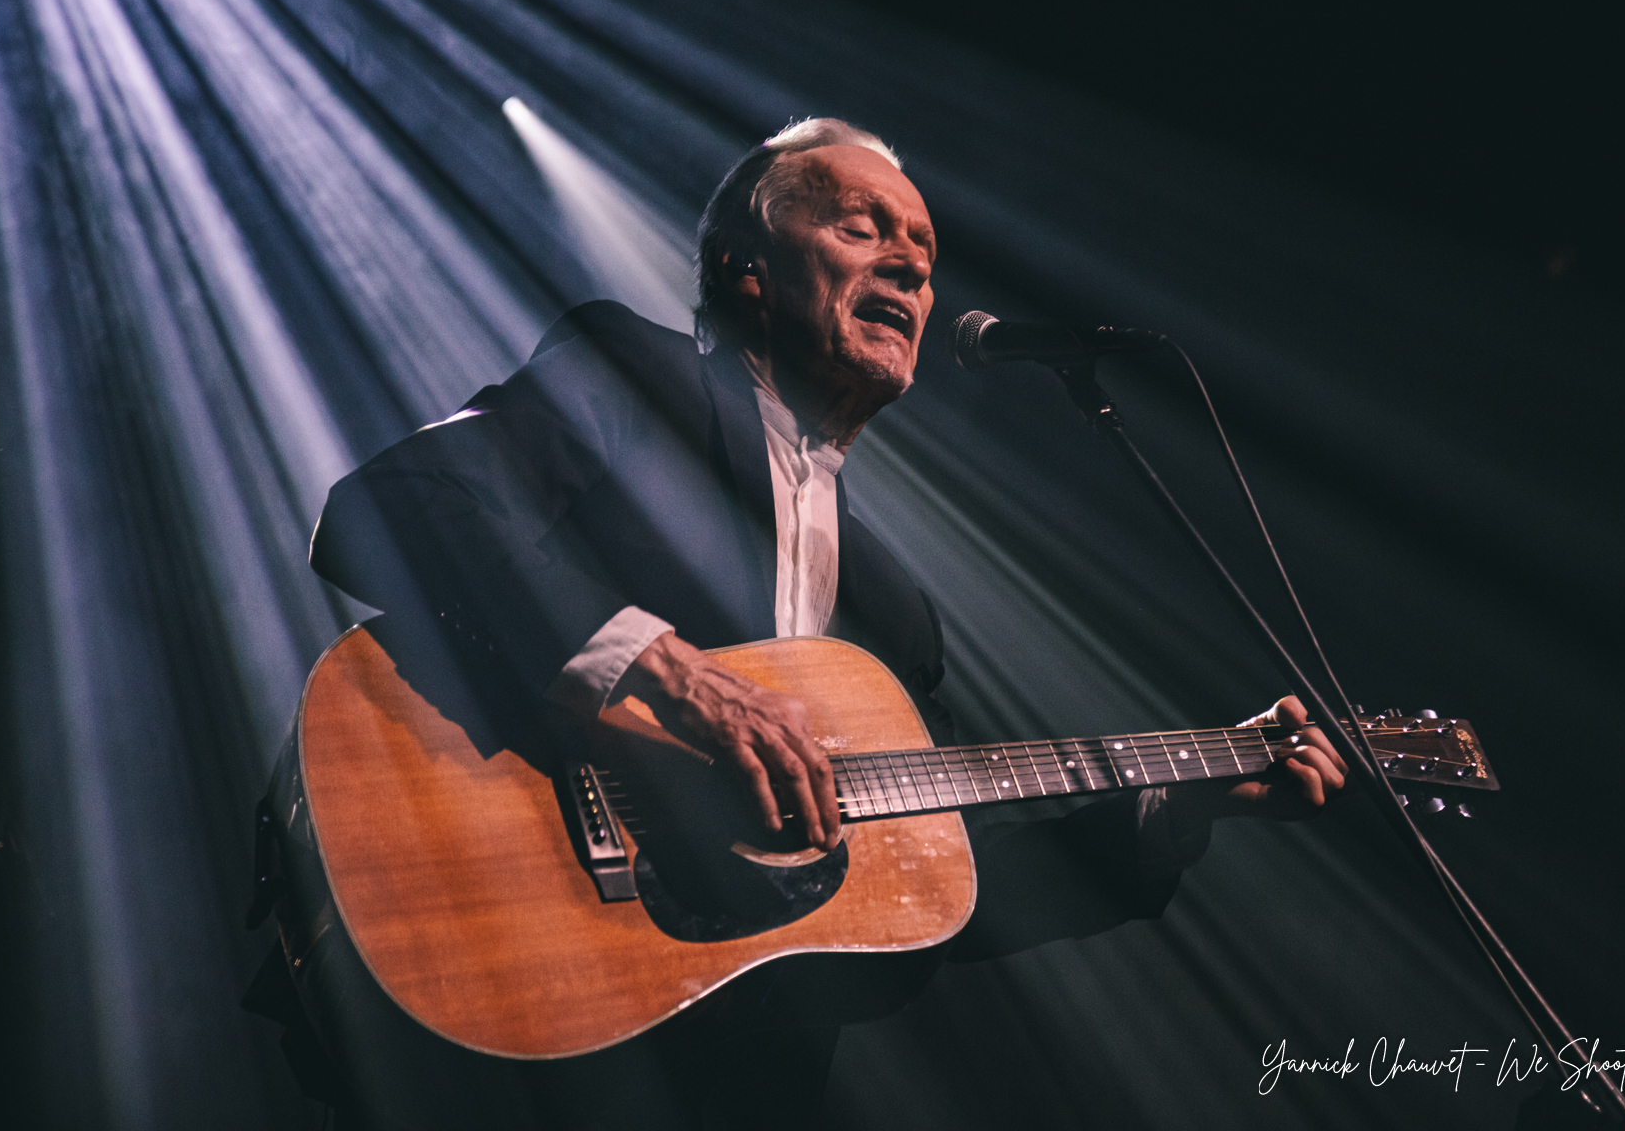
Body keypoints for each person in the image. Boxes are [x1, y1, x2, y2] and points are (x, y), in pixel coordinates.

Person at [291, 118, 1346, 1128]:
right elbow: (395, 505)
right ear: (746, 266)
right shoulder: (637, 373)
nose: (910, 268)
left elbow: (937, 889)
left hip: (742, 1075)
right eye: (861, 227)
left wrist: (1186, 808)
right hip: (497, 974)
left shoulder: (896, 616)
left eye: (924, 254)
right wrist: (665, 673)